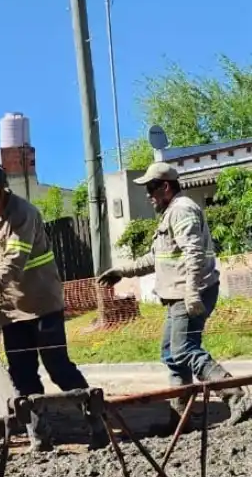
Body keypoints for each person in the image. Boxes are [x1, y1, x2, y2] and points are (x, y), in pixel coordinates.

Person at [0, 155, 108, 452]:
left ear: (0, 181)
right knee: (21, 373)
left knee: (58, 368)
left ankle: (97, 423)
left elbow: (14, 261)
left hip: (42, 303)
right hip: (11, 309)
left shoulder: (23, 213)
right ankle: (40, 436)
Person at [97, 161, 252, 429]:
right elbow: (156, 257)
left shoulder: (183, 211)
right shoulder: (171, 213)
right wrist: (122, 270)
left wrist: (192, 292)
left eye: (151, 188)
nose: (148, 195)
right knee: (171, 354)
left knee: (184, 349)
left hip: (189, 292)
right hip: (179, 294)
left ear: (165, 187)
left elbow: (193, 253)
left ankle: (236, 396)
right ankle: (181, 417)